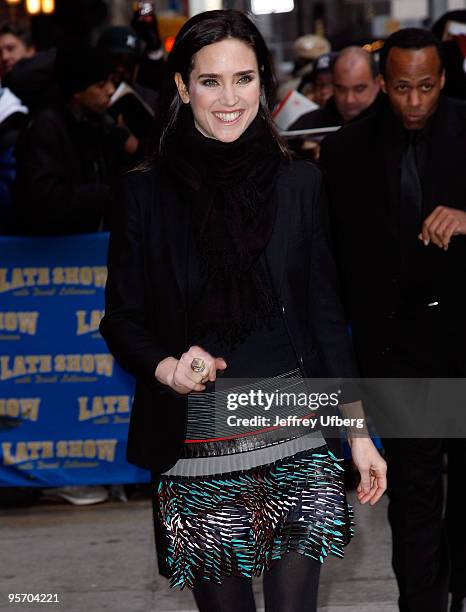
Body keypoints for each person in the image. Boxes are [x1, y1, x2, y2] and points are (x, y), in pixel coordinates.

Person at [100, 9, 386, 612]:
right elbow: (122, 318)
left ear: (265, 82)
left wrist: (359, 434)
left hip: (294, 426)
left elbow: (326, 319)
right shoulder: (144, 192)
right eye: (210, 81)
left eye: (244, 79)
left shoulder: (300, 184)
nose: (230, 99)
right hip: (195, 438)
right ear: (182, 86)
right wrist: (167, 367)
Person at [320, 28, 466, 612]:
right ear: (382, 84)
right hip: (399, 352)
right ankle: (423, 604)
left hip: (464, 339)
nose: (413, 101)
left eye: (425, 87)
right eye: (401, 87)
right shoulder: (346, 150)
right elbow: (328, 258)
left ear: (443, 81)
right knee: (415, 490)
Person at [14, 39, 138, 235]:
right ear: (77, 93)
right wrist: (107, 193)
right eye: (100, 84)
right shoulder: (47, 127)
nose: (110, 90)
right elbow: (46, 199)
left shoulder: (97, 122)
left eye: (110, 81)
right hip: (53, 253)